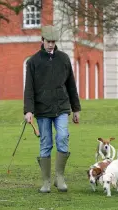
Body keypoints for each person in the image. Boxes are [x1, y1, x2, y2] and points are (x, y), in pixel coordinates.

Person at [24, 25, 81, 193]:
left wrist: (76, 109)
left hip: (61, 107)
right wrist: (28, 110)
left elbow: (71, 85)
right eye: (48, 42)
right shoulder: (33, 62)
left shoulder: (64, 58)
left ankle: (60, 178)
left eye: (53, 42)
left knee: (63, 137)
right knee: (45, 143)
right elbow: (29, 89)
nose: (51, 45)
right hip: (42, 111)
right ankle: (46, 181)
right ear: (42, 40)